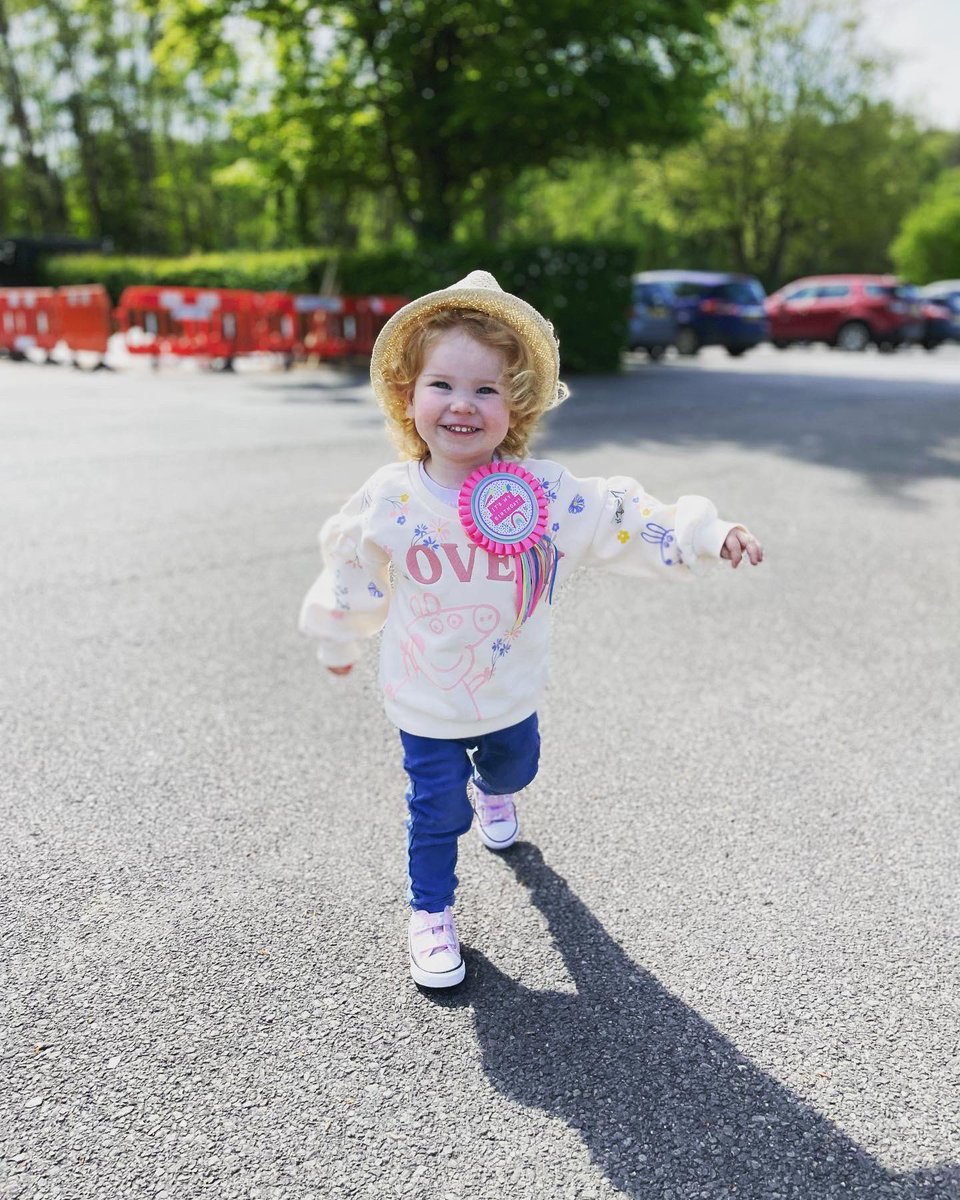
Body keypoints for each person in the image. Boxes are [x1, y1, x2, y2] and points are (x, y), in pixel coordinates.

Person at [299, 270, 763, 989]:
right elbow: (350, 565)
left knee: (515, 766)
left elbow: (618, 515)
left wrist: (704, 532)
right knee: (433, 810)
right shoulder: (391, 497)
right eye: (442, 386)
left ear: (513, 406)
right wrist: (338, 636)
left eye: (485, 390)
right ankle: (429, 911)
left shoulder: (539, 494)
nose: (462, 405)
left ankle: (498, 788)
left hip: (509, 688)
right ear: (408, 395)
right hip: (424, 694)